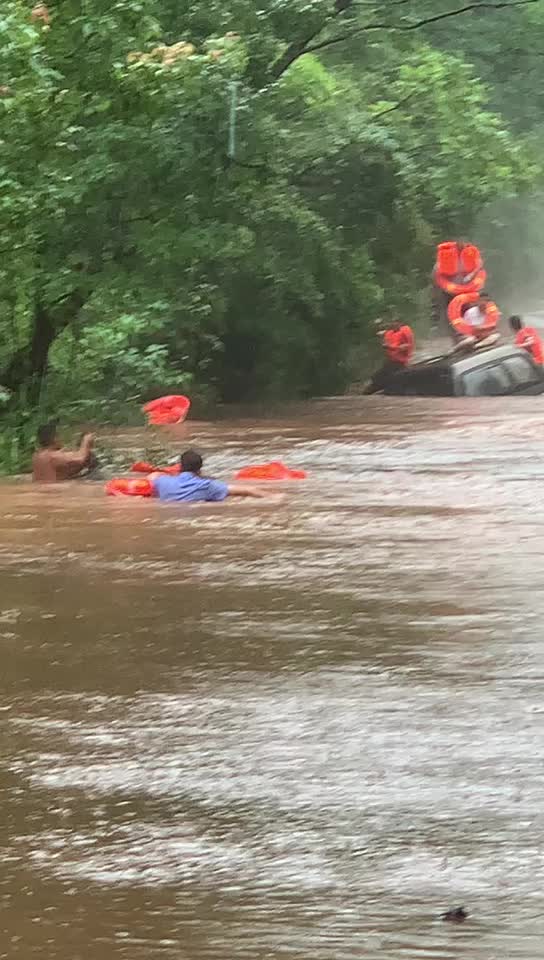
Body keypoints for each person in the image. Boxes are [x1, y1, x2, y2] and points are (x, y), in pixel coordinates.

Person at [151, 449, 268, 503]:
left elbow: (153, 476)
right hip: (196, 511)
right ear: (200, 469)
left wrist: (169, 473)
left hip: (171, 508)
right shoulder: (207, 485)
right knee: (230, 497)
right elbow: (249, 490)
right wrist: (277, 497)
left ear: (180, 466)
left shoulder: (163, 482)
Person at [363, 317, 415, 394]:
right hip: (390, 362)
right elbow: (383, 333)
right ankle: (371, 390)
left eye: (396, 322)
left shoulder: (405, 332)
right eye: (392, 322)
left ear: (400, 324)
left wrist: (390, 347)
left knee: (380, 378)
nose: (393, 324)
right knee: (377, 377)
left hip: (399, 364)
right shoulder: (390, 332)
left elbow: (405, 346)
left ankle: (379, 390)